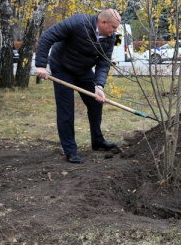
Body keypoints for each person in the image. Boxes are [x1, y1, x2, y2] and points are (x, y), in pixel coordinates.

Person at [35, 9, 121, 164]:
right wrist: (41, 65)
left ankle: (97, 141)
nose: (115, 31)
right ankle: (70, 150)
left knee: (96, 101)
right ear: (103, 22)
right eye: (113, 27)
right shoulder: (78, 23)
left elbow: (103, 63)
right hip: (61, 67)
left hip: (83, 70)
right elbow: (47, 37)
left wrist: (99, 86)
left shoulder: (110, 38)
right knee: (66, 109)